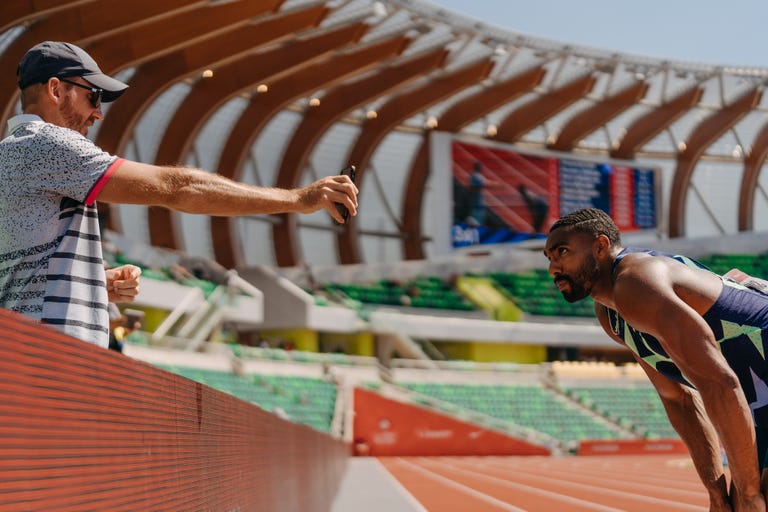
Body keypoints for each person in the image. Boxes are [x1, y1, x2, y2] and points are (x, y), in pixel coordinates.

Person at [0, 41, 358, 349]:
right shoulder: (50, 144)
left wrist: (92, 283)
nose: (97, 112)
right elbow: (178, 188)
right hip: (51, 361)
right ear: (55, 90)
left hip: (23, 354)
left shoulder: (8, 154)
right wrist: (298, 199)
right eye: (92, 96)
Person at [544, 207, 768, 512]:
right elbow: (678, 398)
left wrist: (749, 490)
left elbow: (720, 382)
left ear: (600, 246)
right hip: (757, 397)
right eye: (550, 258)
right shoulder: (611, 315)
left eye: (562, 252)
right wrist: (716, 491)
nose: (553, 268)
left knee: (753, 496)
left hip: (752, 384)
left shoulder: (636, 283)